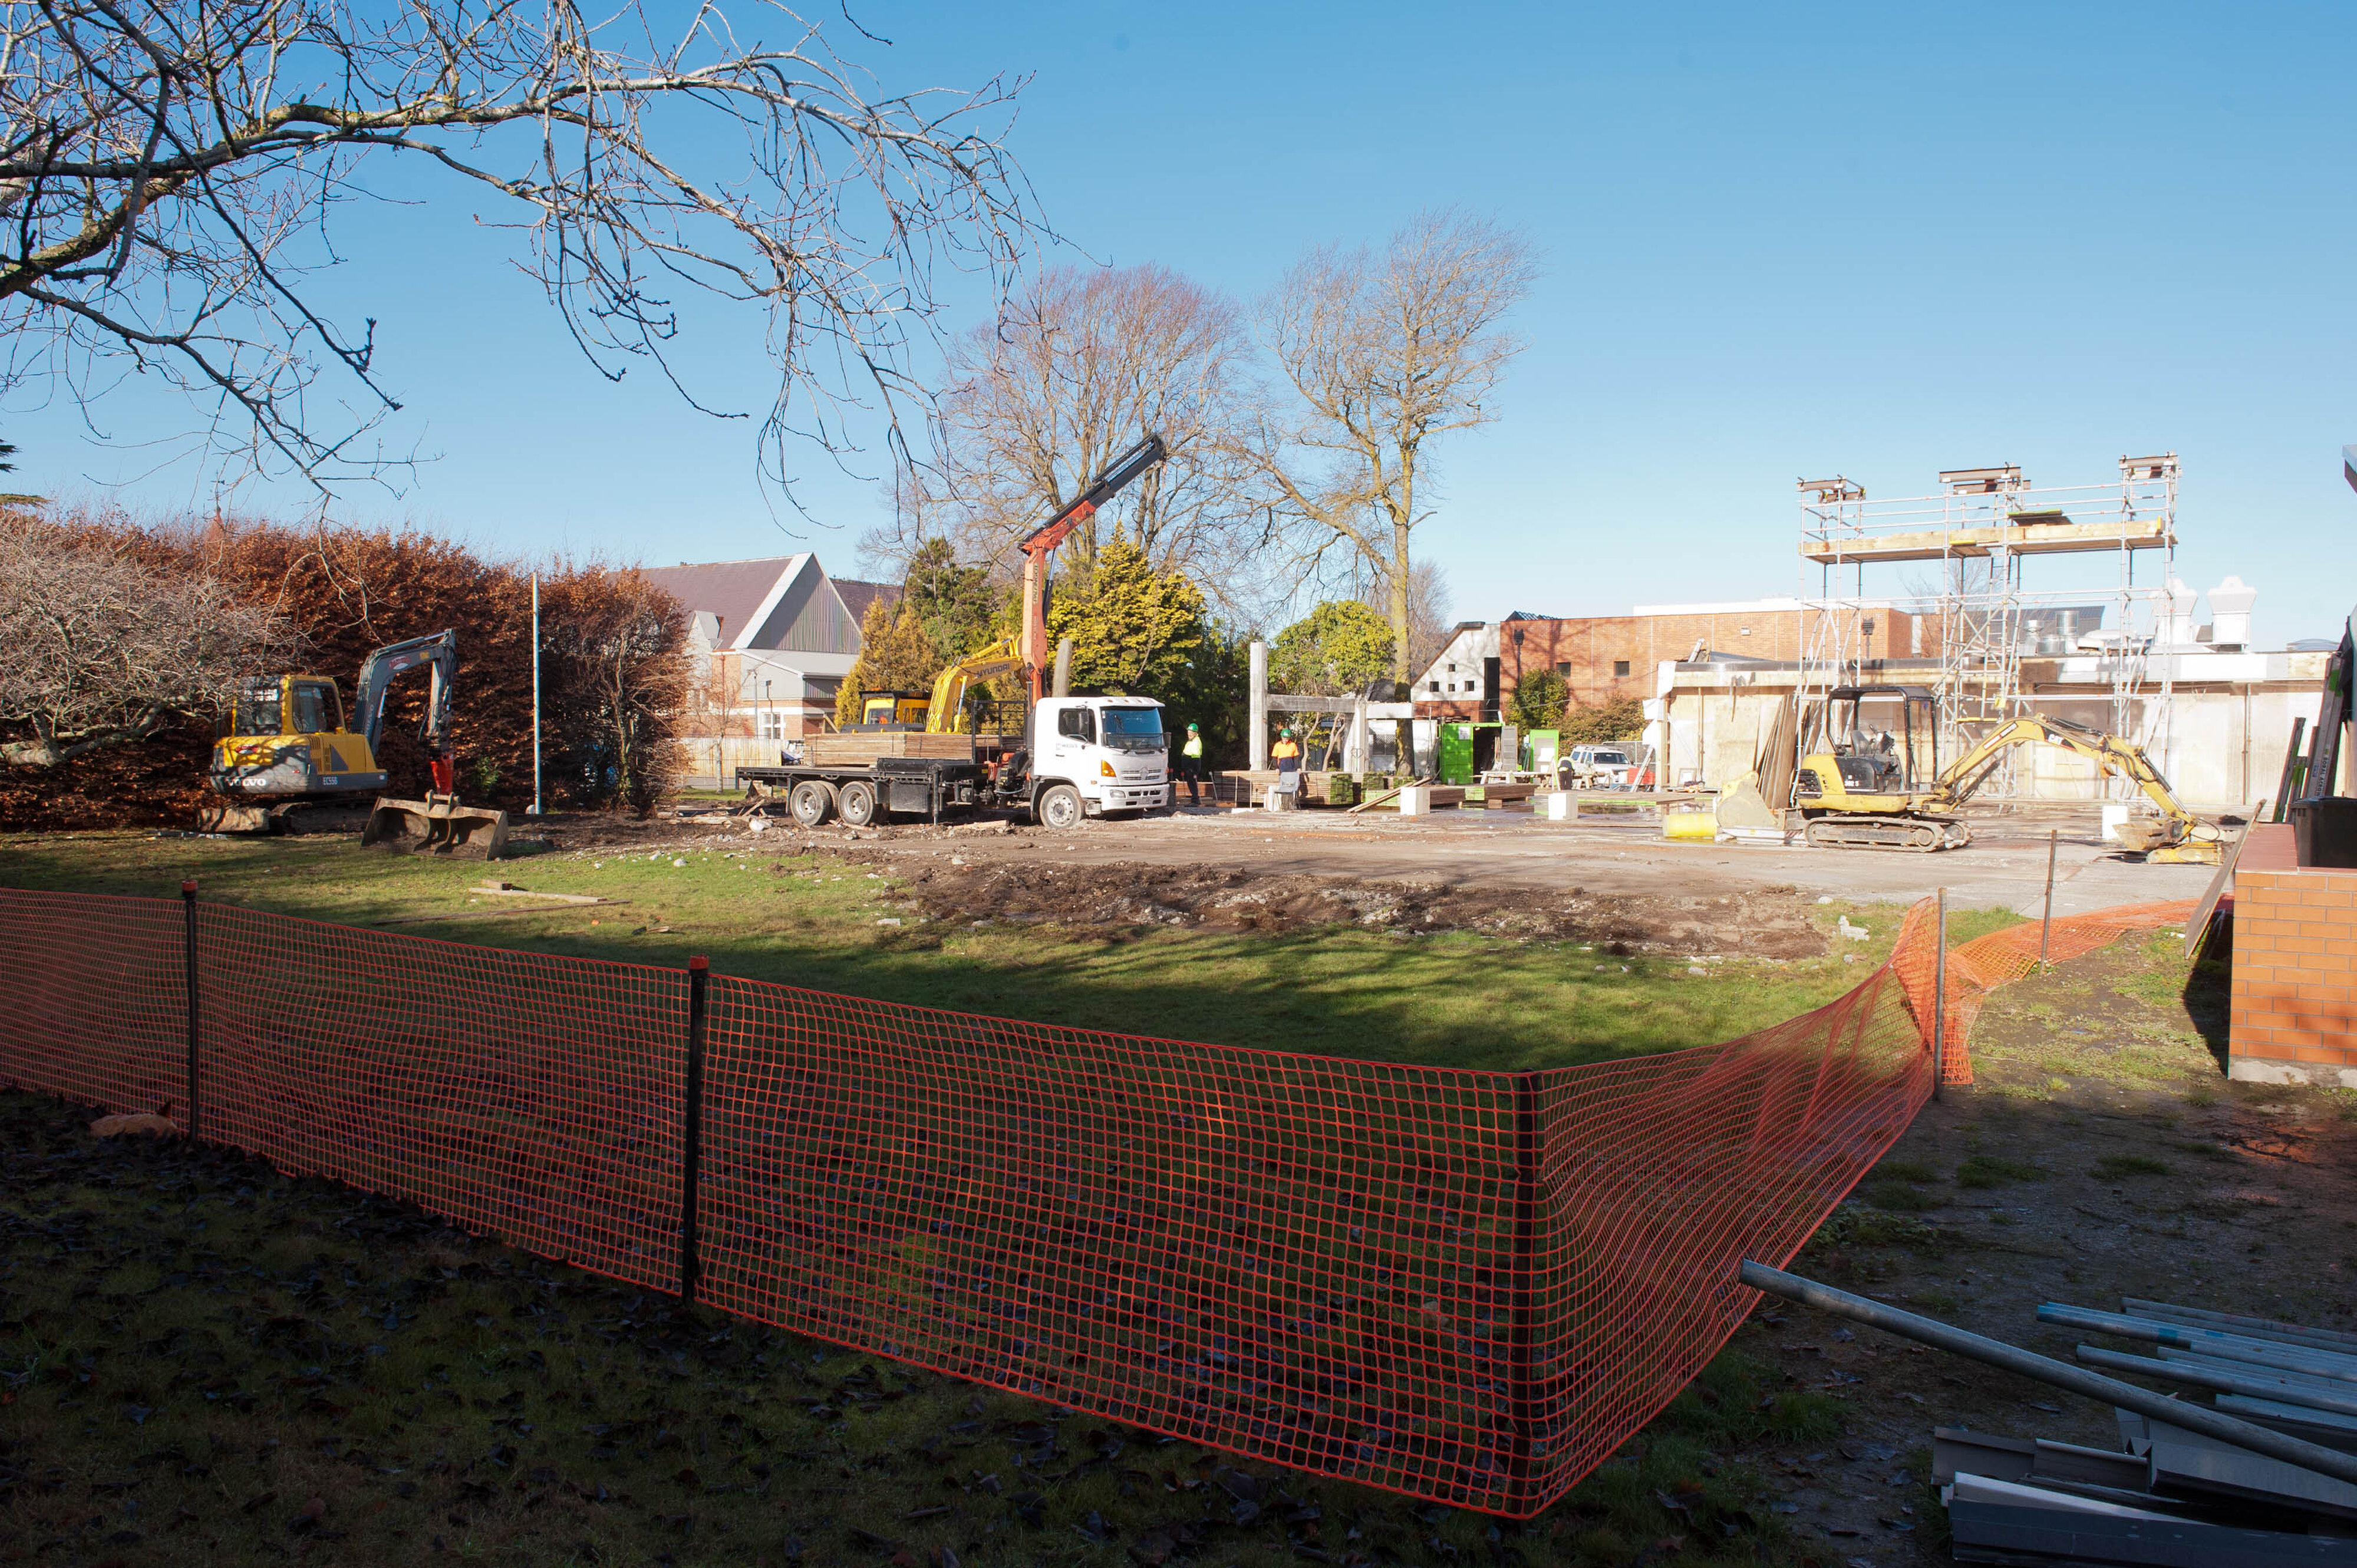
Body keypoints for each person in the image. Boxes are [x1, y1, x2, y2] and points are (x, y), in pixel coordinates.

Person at [1270, 726, 1302, 807]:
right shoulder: (1277, 746)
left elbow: (1296, 758)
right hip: (1282, 769)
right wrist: (1276, 768)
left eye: (1287, 738)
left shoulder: (1293, 745)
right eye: (1284, 738)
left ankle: (1291, 804)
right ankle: (1284, 805)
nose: (1285, 739)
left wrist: (1298, 768)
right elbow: (1274, 758)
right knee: (1283, 786)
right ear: (1282, 737)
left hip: (1291, 769)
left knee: (1292, 786)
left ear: (1289, 738)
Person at [1178, 721, 1205, 806]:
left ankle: (1195, 801)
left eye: (1191, 733)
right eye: (1188, 733)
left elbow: (1196, 756)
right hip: (1189, 765)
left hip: (1192, 766)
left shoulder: (1196, 742)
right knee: (1191, 782)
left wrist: (1192, 768)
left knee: (1193, 782)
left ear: (1195, 733)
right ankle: (1195, 799)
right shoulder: (1192, 740)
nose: (1189, 734)